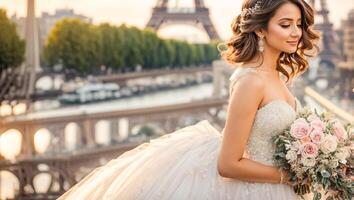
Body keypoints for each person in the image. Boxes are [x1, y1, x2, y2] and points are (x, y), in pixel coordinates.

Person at [58, 0, 320, 199]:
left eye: (298, 24)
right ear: (261, 30)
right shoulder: (251, 82)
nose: (296, 32)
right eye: (285, 24)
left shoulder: (277, 77)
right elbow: (228, 164)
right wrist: (288, 175)